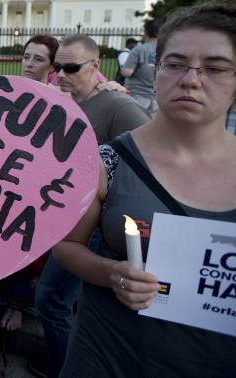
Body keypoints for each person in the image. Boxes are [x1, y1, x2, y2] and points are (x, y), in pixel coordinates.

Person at [54, 0, 236, 377]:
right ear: (155, 74)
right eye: (174, 64)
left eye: (216, 68)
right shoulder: (106, 162)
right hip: (106, 359)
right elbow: (67, 247)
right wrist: (113, 273)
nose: (191, 79)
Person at [34, 34, 150, 377]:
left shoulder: (117, 105)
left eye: (71, 67)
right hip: (68, 219)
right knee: (59, 302)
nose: (62, 74)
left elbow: (151, 158)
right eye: (57, 67)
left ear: (95, 67)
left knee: (52, 300)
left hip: (99, 225)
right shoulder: (66, 101)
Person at [121, 19, 160, 116]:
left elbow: (127, 72)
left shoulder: (139, 49)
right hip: (157, 96)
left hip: (138, 95)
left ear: (146, 33)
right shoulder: (164, 50)